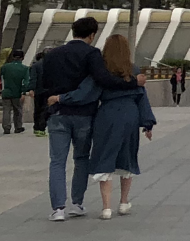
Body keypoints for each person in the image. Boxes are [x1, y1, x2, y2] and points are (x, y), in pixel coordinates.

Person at [39, 17, 131, 220]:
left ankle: (58, 208)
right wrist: (131, 83)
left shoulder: (53, 54)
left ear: (73, 32)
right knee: (81, 159)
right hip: (83, 114)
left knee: (57, 161)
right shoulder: (92, 54)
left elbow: (43, 82)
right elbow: (103, 79)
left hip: (57, 113)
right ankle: (77, 203)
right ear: (92, 35)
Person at [83, 33, 155, 219]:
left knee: (105, 155)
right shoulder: (133, 69)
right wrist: (147, 123)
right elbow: (141, 97)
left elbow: (91, 92)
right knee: (127, 156)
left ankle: (106, 207)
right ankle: (123, 202)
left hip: (107, 113)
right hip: (130, 113)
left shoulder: (102, 69)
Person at [0, 49, 30, 134]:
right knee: (18, 110)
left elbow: (0, 78)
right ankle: (18, 127)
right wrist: (23, 92)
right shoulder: (25, 69)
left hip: (6, 92)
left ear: (13, 57)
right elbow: (25, 82)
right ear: (22, 58)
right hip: (17, 93)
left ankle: (6, 127)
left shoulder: (5, 67)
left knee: (6, 110)